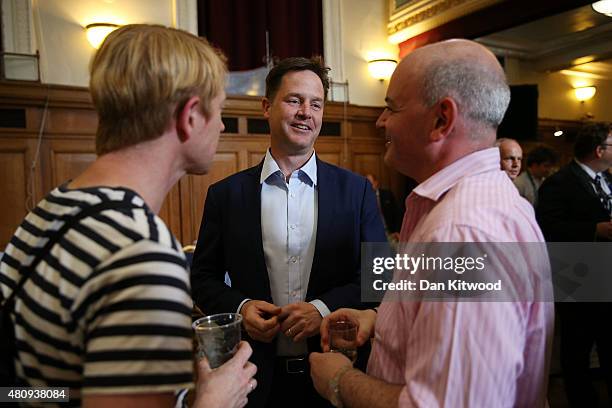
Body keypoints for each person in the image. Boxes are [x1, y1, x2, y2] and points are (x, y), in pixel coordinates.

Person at [0, 24, 256, 408]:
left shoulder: (54, 206)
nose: (221, 125)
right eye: (219, 109)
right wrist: (214, 403)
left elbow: (36, 390)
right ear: (189, 117)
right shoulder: (141, 253)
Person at [309, 39, 554, 407]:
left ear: (441, 119)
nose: (380, 121)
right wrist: (384, 321)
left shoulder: (463, 233)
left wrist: (339, 380)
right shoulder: (477, 205)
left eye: (391, 108)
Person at [190, 57, 387, 407]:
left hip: (333, 372)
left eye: (316, 104)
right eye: (294, 100)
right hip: (252, 377)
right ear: (266, 107)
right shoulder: (225, 195)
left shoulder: (356, 191)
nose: (305, 112)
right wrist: (242, 306)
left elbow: (377, 278)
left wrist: (323, 309)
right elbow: (202, 277)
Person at [537, 122, 612, 407]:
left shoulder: (607, 179)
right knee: (577, 349)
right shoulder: (561, 182)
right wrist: (594, 229)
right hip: (578, 278)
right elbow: (549, 226)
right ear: (599, 149)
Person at [365, 173, 403, 240]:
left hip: (391, 234)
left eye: (370, 183)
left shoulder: (387, 195)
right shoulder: (363, 199)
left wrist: (397, 231)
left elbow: (397, 214)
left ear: (376, 183)